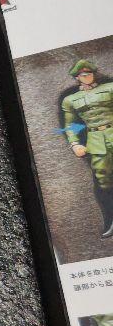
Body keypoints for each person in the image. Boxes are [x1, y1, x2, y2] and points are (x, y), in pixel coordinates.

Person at [61, 59, 113, 238]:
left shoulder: (110, 88)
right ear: (77, 77)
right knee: (103, 181)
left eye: (89, 73)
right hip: (96, 142)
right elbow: (70, 125)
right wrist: (75, 144)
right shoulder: (71, 100)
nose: (87, 76)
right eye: (83, 75)